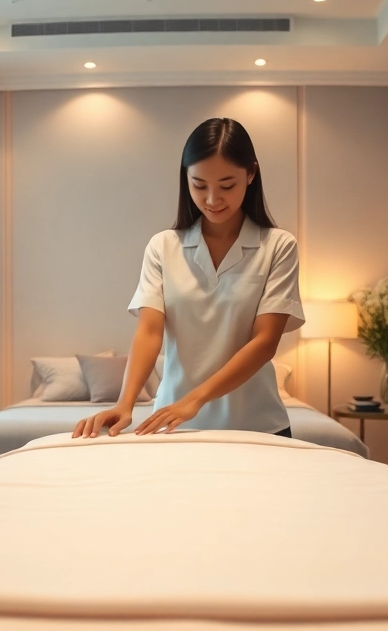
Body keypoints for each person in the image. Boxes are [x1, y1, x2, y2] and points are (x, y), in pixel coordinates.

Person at [73, 117, 304, 439]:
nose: (212, 199)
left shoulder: (278, 246)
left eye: (227, 186)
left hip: (258, 424)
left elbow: (265, 342)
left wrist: (194, 400)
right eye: (199, 185)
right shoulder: (163, 247)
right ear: (186, 179)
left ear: (251, 174)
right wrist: (125, 403)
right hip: (173, 426)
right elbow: (149, 332)